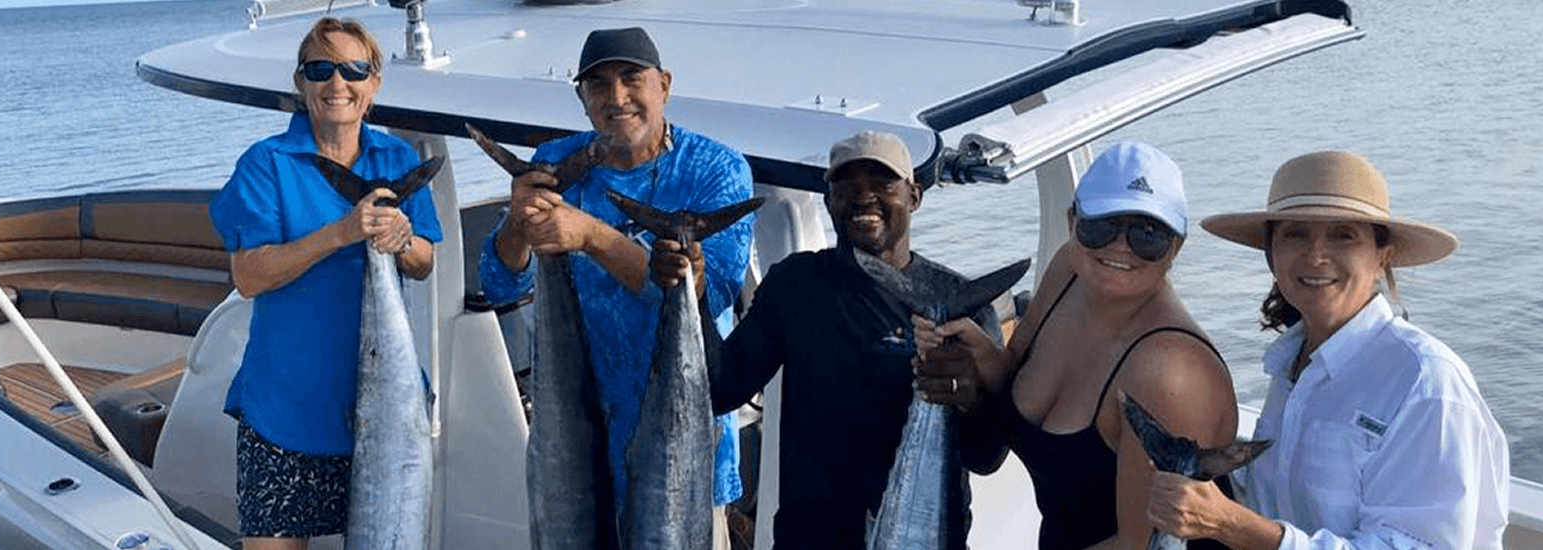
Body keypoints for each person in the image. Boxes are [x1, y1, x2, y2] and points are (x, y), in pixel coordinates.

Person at [1144, 151, 1509, 550]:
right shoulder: (1290, 366)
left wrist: (1232, 524)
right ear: (1273, 255)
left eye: (1343, 234)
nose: (1316, 255)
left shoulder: (1425, 381)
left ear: (1381, 256)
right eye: (1295, 234)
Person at [477, 26, 750, 546]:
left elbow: (706, 296)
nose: (617, 97)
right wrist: (518, 223)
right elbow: (499, 284)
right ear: (581, 99)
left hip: (683, 446)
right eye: (599, 85)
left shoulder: (718, 170)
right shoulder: (556, 162)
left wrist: (592, 236)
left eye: (632, 79)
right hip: (577, 439)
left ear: (664, 85)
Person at [914, 142, 1239, 550]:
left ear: (1176, 247)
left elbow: (1138, 545)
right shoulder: (1069, 269)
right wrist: (982, 354)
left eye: (1147, 234)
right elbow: (1013, 370)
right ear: (1072, 222)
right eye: (1101, 225)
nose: (1120, 247)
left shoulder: (1170, 372)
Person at [677, 130, 990, 550]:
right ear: (828, 199)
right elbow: (720, 389)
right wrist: (693, 294)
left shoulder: (959, 311)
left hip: (925, 534)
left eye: (883, 183)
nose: (864, 197)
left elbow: (986, 457)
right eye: (847, 186)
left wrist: (968, 398)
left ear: (914, 196)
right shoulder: (795, 285)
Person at [207, 18, 442, 550]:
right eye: (321, 69)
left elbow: (425, 263)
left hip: (388, 407)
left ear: (374, 83)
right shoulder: (266, 164)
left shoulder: (398, 160)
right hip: (285, 409)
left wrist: (402, 239)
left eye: (354, 69)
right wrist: (340, 233)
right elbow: (249, 277)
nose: (338, 83)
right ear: (300, 82)